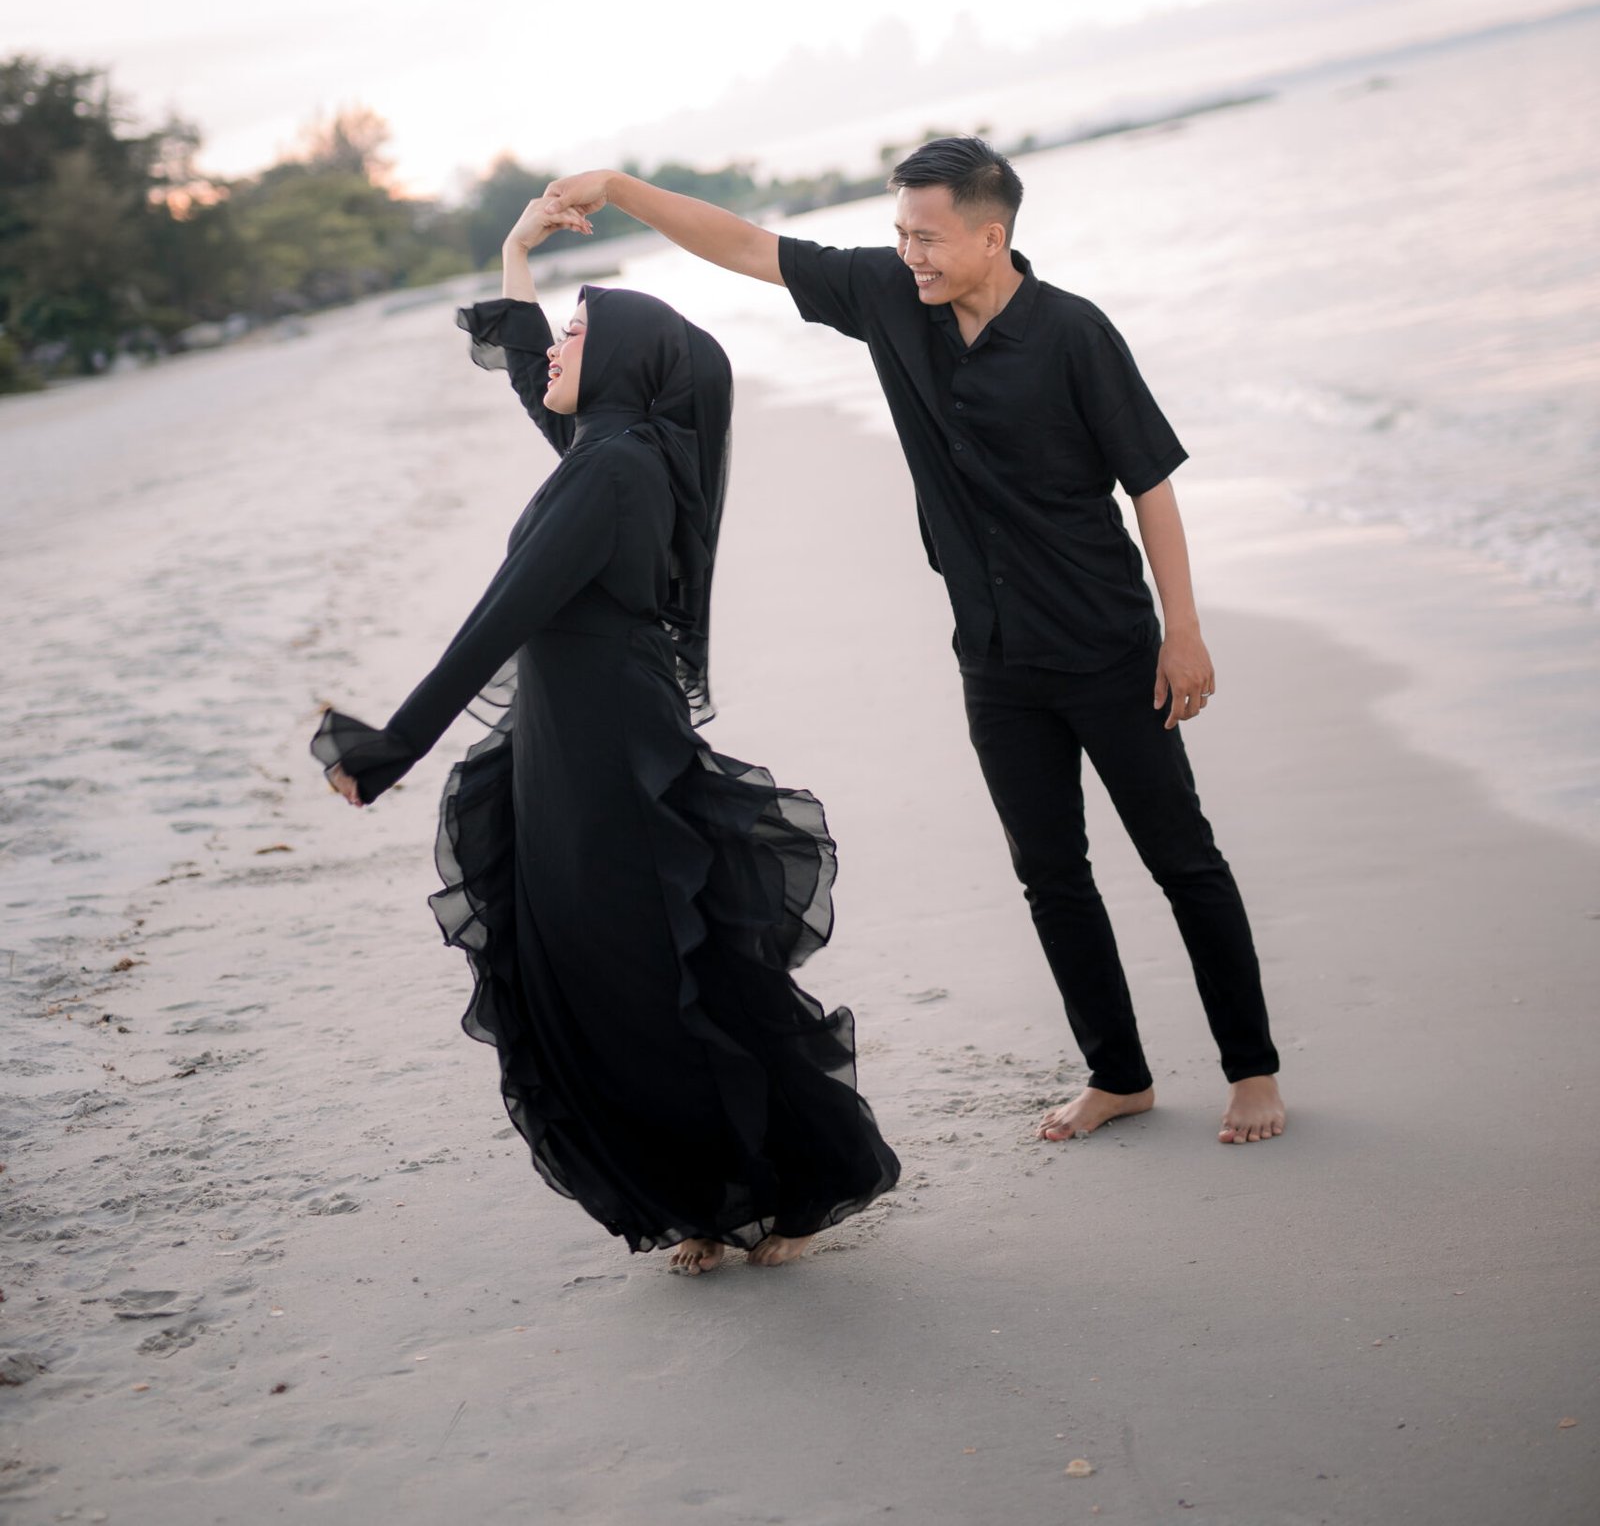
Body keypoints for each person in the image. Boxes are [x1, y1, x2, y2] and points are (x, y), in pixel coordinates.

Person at [543, 140, 1285, 1147]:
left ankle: (1252, 1072)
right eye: (899, 235)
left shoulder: (1074, 334)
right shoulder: (890, 298)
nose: (910, 255)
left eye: (927, 238)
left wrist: (1182, 632)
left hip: (1108, 647)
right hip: (994, 658)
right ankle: (1118, 1076)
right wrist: (621, 189)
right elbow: (750, 248)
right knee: (1050, 875)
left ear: (992, 235)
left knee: (1181, 861)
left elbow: (1149, 482)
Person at [312, 191, 900, 1272]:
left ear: (624, 362)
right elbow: (533, 372)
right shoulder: (612, 447)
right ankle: (707, 1198)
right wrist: (516, 251)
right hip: (568, 743)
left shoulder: (618, 468)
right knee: (610, 975)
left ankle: (783, 1189)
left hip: (610, 754)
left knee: (652, 974)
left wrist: (391, 747)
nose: (555, 348)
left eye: (578, 333)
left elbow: (502, 616)